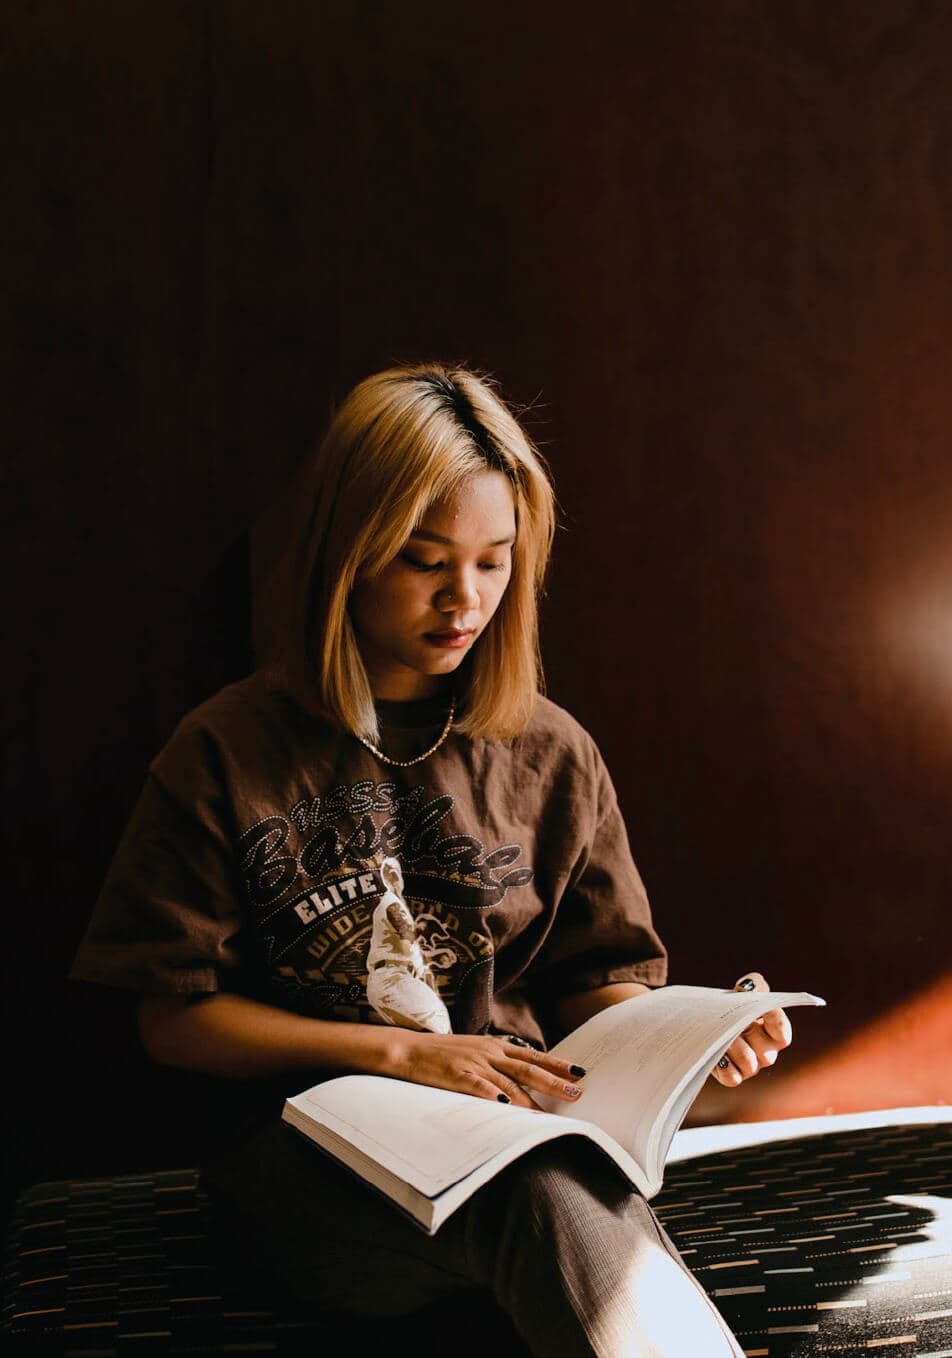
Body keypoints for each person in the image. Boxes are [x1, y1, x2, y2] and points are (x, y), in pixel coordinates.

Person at [71, 363, 792, 1357]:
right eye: (425, 560)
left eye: (494, 562)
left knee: (547, 1176)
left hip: (521, 1135)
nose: (465, 599)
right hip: (309, 1169)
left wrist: (700, 1033)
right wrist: (406, 1051)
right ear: (348, 552)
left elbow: (595, 987)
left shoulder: (550, 749)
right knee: (536, 1191)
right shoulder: (226, 749)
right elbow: (173, 1019)